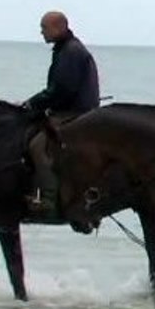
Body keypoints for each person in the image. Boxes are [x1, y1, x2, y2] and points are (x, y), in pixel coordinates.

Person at [23, 11, 100, 216]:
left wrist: (32, 104)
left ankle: (47, 199)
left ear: (59, 27)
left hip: (77, 113)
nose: (41, 32)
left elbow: (62, 90)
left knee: (38, 145)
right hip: (72, 108)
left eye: (44, 28)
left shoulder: (71, 52)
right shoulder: (65, 49)